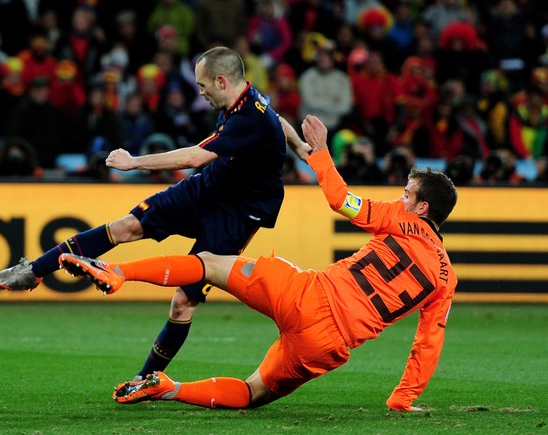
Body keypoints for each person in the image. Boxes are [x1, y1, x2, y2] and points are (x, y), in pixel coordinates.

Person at [58, 114, 459, 412]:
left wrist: (319, 154)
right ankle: (168, 387)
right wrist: (402, 399)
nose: (400, 198)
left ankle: (118, 271)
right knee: (253, 394)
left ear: (422, 207)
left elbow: (343, 202)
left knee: (210, 263)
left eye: (406, 194)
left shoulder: (404, 220)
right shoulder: (445, 277)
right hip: (326, 346)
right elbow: (428, 342)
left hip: (306, 294)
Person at [0, 46, 311, 383]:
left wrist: (134, 163)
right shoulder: (249, 97)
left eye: (203, 86)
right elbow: (275, 118)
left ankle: (145, 381)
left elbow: (195, 157)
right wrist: (299, 145)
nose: (200, 93)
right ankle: (34, 271)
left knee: (183, 304)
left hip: (238, 214)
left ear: (221, 81)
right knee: (126, 226)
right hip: (210, 188)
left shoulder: (248, 119)